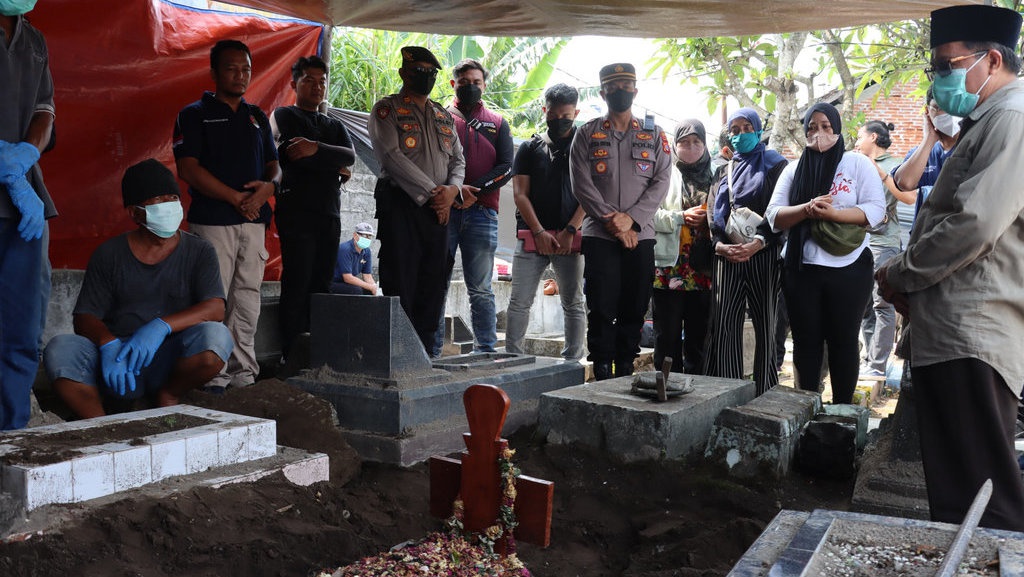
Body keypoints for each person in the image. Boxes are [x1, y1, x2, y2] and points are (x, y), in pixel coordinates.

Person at [877, 4, 1024, 532]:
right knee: (960, 496)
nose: (939, 79)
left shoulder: (1010, 117)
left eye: (947, 64)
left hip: (973, 328)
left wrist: (900, 273)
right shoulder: (987, 120)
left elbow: (974, 223)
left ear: (990, 59)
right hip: (955, 327)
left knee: (982, 500)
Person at [43, 159, 232, 419]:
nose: (169, 207)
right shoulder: (109, 254)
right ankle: (99, 424)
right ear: (134, 213)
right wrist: (108, 344)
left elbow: (215, 307)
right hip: (118, 361)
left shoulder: (199, 250)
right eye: (158, 201)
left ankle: (169, 395)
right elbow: (84, 317)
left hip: (168, 359)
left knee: (216, 338)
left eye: (172, 198)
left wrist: (160, 326)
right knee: (60, 350)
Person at [173, 39, 280, 391]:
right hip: (213, 222)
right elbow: (188, 169)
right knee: (212, 300)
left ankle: (243, 376)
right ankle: (212, 376)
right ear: (214, 72)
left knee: (247, 299)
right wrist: (235, 197)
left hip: (253, 223)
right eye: (232, 68)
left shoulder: (257, 116)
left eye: (246, 69)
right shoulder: (194, 114)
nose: (240, 75)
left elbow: (274, 167)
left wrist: (269, 188)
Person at [766, 103, 885, 404]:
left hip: (850, 266)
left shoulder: (856, 164)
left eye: (825, 127)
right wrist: (805, 210)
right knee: (806, 342)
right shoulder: (794, 169)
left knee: (843, 341)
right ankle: (806, 406)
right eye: (812, 127)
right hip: (801, 268)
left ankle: (842, 410)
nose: (818, 133)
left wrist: (834, 215)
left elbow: (875, 210)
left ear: (837, 129)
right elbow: (774, 214)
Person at [570, 63, 671, 380]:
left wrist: (633, 221)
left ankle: (626, 367)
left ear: (636, 91)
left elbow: (661, 181)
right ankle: (601, 369)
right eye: (613, 87)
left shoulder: (653, 134)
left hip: (640, 236)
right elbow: (580, 183)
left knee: (635, 303)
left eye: (626, 85)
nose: (620, 91)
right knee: (600, 305)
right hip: (600, 236)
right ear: (603, 93)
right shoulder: (586, 134)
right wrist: (612, 222)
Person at [368, 46, 465, 352]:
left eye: (430, 73)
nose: (425, 78)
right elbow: (391, 156)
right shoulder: (387, 110)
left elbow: (458, 161)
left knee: (432, 283)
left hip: (439, 210)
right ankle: (398, 355)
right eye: (418, 72)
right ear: (403, 74)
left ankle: (423, 356)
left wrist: (451, 192)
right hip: (402, 205)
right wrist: (433, 194)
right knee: (401, 280)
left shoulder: (443, 115)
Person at [271, 55, 356, 361]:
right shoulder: (283, 115)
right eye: (309, 79)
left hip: (329, 212)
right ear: (294, 83)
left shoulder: (333, 124)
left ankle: (317, 351)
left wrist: (316, 148)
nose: (317, 86)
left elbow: (349, 157)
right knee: (298, 278)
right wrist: (327, 161)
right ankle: (290, 352)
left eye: (322, 81)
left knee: (322, 282)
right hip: (296, 211)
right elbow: (291, 153)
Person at [432, 59, 514, 356]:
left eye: (476, 82)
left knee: (480, 289)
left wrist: (474, 192)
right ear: (453, 84)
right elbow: (429, 162)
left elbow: (507, 167)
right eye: (464, 82)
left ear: (484, 85)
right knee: (437, 283)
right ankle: (432, 351)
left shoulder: (498, 122)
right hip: (443, 211)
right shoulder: (438, 116)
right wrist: (455, 193)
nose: (471, 87)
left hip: (482, 214)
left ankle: (486, 351)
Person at [703, 108, 787, 396]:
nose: (740, 135)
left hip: (762, 253)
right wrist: (719, 245)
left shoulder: (776, 166)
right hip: (726, 256)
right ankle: (727, 390)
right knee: (725, 322)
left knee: (766, 323)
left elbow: (780, 212)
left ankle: (765, 391)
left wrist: (758, 243)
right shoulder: (723, 169)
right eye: (734, 131)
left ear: (759, 131)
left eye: (746, 128)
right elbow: (712, 212)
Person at [0, 2, 57, 430]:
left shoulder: (33, 39)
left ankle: (12, 435)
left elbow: (44, 108)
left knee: (21, 333)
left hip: (23, 210)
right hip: (15, 193)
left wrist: (26, 155)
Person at [506, 83, 586, 362]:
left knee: (574, 303)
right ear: (544, 111)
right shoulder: (529, 147)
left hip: (570, 238)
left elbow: (591, 195)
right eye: (553, 115)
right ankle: (513, 360)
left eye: (566, 115)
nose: (560, 120)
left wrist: (571, 230)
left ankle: (573, 363)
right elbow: (520, 194)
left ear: (576, 112)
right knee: (519, 302)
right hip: (531, 236)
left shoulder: (585, 146)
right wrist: (538, 231)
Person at [651, 119, 714, 374]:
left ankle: (697, 392)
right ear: (675, 145)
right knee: (667, 336)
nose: (691, 147)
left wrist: (709, 220)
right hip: (669, 268)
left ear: (704, 144)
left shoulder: (717, 174)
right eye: (684, 142)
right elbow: (647, 214)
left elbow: (728, 214)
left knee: (700, 337)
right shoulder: (662, 174)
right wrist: (680, 217)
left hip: (704, 269)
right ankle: (664, 388)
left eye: (696, 142)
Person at [854, 120, 914, 379]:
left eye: (860, 136)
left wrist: (880, 174)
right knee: (864, 304)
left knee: (882, 304)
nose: (856, 142)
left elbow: (909, 197)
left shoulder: (895, 165)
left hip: (884, 243)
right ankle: (868, 359)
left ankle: (878, 365)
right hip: (858, 243)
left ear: (874, 137)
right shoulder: (857, 163)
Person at [891, 87, 959, 242]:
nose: (949, 114)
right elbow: (905, 183)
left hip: (957, 242)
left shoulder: (973, 148)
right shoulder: (922, 153)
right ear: (928, 111)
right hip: (923, 240)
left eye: (954, 106)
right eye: (940, 108)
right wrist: (929, 138)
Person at [331, 222, 378, 295]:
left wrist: (374, 287)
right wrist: (369, 286)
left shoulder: (366, 251)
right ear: (355, 235)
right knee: (356, 291)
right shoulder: (345, 249)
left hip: (348, 283)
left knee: (370, 291)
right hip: (335, 282)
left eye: (369, 236)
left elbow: (367, 275)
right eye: (364, 235)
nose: (367, 239)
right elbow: (348, 278)